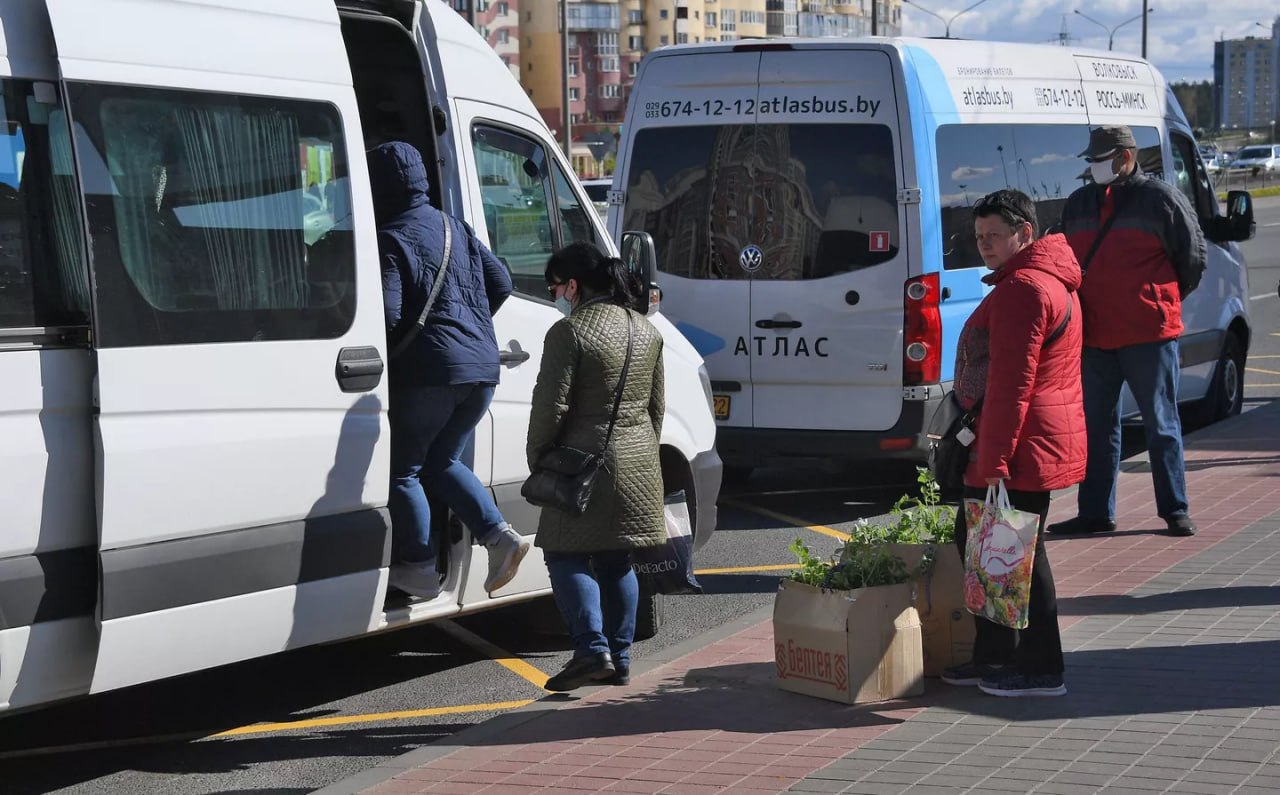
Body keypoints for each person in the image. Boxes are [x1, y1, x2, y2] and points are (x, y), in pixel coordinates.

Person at [941, 189, 1085, 698]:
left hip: (1020, 443)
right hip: (1030, 436)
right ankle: (995, 657)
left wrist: (995, 457)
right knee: (986, 545)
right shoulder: (1042, 279)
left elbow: (1011, 383)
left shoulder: (1025, 288)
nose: (983, 245)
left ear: (1025, 232)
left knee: (1020, 552)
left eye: (993, 236)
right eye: (978, 237)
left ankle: (1042, 668)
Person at [369, 141, 529, 600]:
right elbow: (502, 282)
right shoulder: (453, 226)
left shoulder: (391, 237)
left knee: (405, 471)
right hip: (482, 370)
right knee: (442, 463)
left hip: (430, 374)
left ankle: (417, 568)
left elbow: (386, 310)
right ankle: (501, 538)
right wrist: (470, 329)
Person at [1049, 125, 1206, 539]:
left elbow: (1192, 258)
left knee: (1162, 424)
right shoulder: (1079, 203)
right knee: (1097, 428)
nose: (1095, 167)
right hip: (1095, 337)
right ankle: (1095, 512)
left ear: (1125, 157)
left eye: (1101, 160)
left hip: (1148, 335)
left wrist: (1157, 301)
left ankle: (1175, 509)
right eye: (1091, 161)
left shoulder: (1161, 199)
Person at [527, 242, 666, 692]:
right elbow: (656, 407)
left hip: (583, 461)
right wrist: (644, 453)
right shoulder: (646, 329)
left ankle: (591, 649)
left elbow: (551, 404)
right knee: (616, 558)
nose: (557, 296)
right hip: (639, 459)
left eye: (556, 288)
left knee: (564, 553)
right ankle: (620, 658)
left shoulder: (568, 332)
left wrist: (540, 455)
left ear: (574, 285)